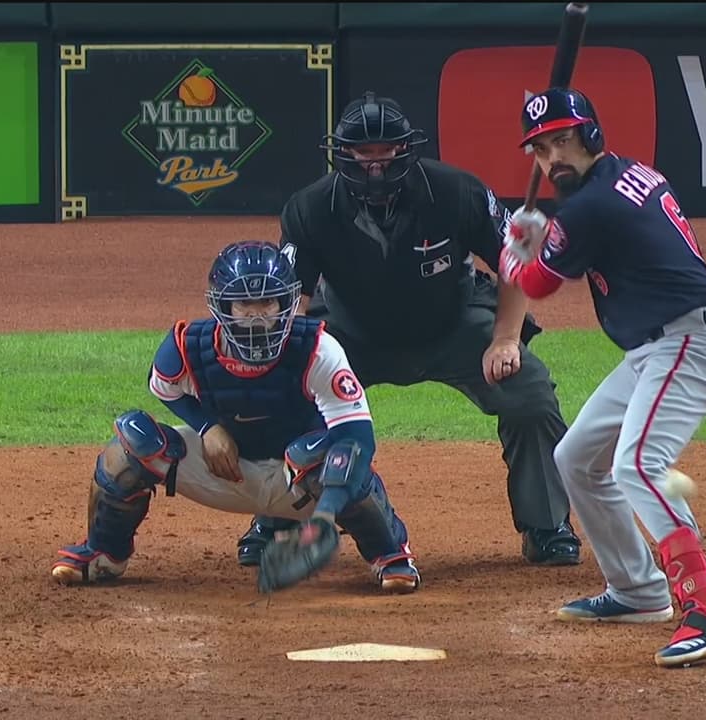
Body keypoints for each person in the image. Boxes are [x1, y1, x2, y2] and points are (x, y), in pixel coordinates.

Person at [233, 91, 582, 570]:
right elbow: (293, 298)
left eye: (386, 152)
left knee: (530, 393)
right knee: (286, 389)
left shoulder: (455, 190)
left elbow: (514, 259)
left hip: (453, 324)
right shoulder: (309, 209)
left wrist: (504, 338)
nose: (376, 164)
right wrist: (287, 366)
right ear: (343, 154)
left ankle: (547, 525)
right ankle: (275, 520)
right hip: (351, 333)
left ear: (406, 149)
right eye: (364, 153)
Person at [497, 87, 706, 668]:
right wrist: (541, 241)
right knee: (576, 458)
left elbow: (536, 285)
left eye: (562, 141)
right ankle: (638, 590)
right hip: (654, 347)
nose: (552, 158)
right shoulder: (626, 175)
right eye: (540, 149)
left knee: (635, 465)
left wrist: (515, 248)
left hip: (691, 342)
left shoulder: (589, 207)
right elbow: (570, 255)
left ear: (591, 136)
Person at [51, 241, 421, 594]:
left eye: (268, 302)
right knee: (131, 445)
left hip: (298, 482)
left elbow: (357, 439)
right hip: (224, 472)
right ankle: (105, 553)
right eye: (245, 303)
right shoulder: (190, 345)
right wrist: (207, 427)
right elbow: (163, 387)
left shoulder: (318, 348)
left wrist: (323, 517)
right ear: (223, 306)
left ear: (287, 303)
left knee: (333, 455)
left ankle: (388, 553)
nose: (258, 315)